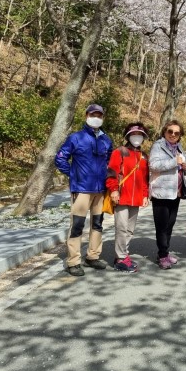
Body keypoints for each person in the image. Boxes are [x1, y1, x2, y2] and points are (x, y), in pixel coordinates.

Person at [55, 104, 113, 276]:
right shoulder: (76, 138)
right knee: (77, 225)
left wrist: (108, 178)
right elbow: (60, 158)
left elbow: (111, 162)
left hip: (99, 190)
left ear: (102, 118)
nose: (96, 117)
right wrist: (73, 174)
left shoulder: (106, 140)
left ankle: (92, 256)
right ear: (87, 115)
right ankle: (73, 261)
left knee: (97, 224)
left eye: (99, 115)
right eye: (93, 114)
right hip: (81, 189)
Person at [106, 122, 150, 273]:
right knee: (121, 228)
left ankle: (124, 254)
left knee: (130, 229)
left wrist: (145, 195)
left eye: (139, 134)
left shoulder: (144, 156)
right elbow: (112, 173)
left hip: (136, 198)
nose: (136, 137)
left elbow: (145, 178)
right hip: (122, 197)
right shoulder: (120, 152)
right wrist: (113, 191)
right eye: (133, 134)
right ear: (127, 136)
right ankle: (120, 258)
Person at [149, 119, 186, 270]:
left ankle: (164, 252)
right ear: (164, 132)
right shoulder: (157, 146)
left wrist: (185, 167)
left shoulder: (178, 147)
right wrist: (174, 161)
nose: (173, 135)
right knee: (162, 226)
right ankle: (162, 255)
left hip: (175, 192)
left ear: (180, 135)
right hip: (161, 192)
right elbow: (153, 165)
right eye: (170, 131)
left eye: (177, 133)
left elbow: (180, 166)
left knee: (170, 225)